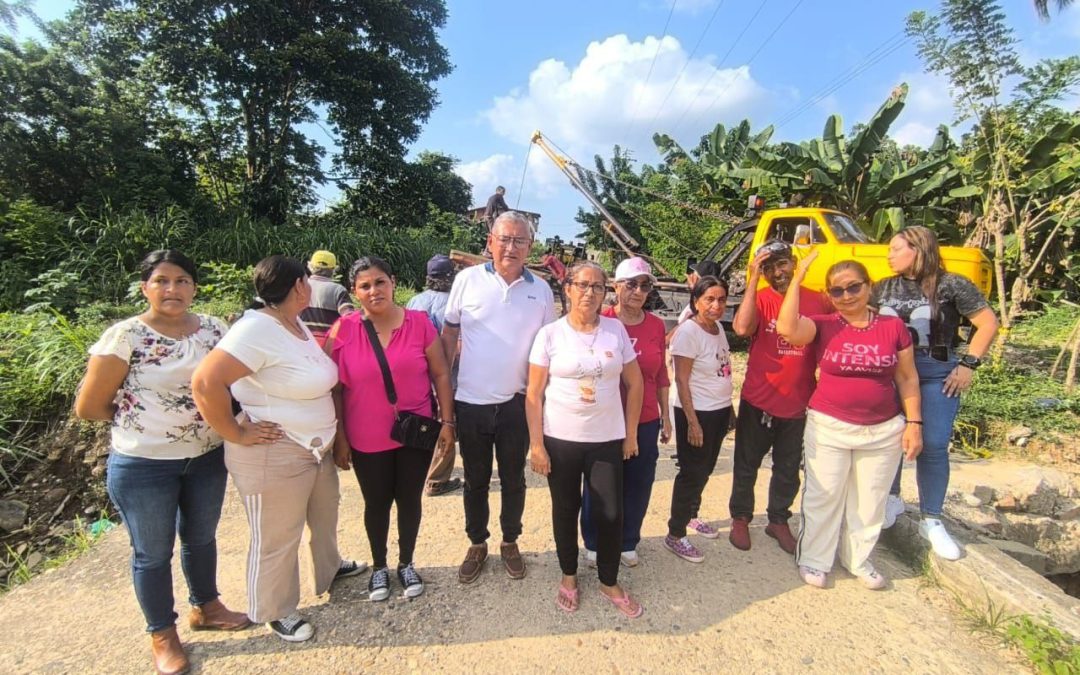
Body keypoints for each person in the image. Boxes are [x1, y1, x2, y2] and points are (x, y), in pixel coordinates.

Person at [75, 250, 249, 675]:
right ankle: (163, 634)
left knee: (201, 538)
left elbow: (232, 384)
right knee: (152, 553)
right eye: (162, 281)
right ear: (145, 288)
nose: (173, 289)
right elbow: (90, 406)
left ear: (194, 287)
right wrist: (148, 425)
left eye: (182, 281)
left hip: (206, 456)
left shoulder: (213, 329)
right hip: (144, 464)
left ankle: (207, 606)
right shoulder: (125, 336)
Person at [192, 255, 365, 643]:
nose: (309, 285)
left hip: (313, 448)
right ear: (297, 285)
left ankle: (330, 567)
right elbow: (206, 382)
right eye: (305, 279)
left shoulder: (293, 322)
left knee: (324, 514)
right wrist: (234, 433)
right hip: (276, 450)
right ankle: (275, 609)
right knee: (276, 535)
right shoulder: (255, 329)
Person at [777, 252, 922, 590]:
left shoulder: (893, 327)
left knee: (870, 498)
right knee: (823, 495)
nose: (845, 296)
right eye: (836, 291)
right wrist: (797, 279)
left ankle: (858, 559)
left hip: (883, 429)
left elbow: (907, 378)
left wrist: (914, 423)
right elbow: (787, 328)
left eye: (853, 288)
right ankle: (814, 558)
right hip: (830, 424)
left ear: (868, 287)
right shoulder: (824, 325)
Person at [328, 256, 457, 601]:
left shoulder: (418, 324)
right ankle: (380, 567)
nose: (374, 291)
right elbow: (333, 389)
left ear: (393, 282)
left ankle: (406, 562)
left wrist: (447, 421)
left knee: (410, 499)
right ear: (355, 292)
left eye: (380, 282)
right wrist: (340, 438)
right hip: (366, 436)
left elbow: (441, 373)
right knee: (376, 502)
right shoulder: (344, 330)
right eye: (365, 286)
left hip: (414, 432)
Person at [443, 210, 557, 584]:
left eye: (519, 241)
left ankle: (510, 541)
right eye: (504, 239)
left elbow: (548, 350)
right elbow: (449, 335)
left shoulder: (540, 290)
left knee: (514, 478)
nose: (511, 247)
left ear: (530, 247)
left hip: (517, 403)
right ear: (490, 242)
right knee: (475, 479)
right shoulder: (466, 280)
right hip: (472, 402)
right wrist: (444, 388)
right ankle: (477, 543)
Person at [526, 261, 645, 617]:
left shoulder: (615, 331)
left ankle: (609, 580)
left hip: (607, 438)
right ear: (568, 288)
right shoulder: (550, 334)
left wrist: (631, 433)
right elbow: (534, 394)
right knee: (565, 509)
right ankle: (568, 576)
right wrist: (536, 444)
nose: (590, 293)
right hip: (560, 439)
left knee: (610, 513)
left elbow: (635, 383)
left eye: (597, 287)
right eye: (582, 285)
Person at [873, 226, 998, 560]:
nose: (889, 255)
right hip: (890, 373)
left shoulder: (951, 284)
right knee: (891, 438)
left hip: (935, 373)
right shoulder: (883, 287)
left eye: (896, 249)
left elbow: (987, 323)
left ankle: (931, 518)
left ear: (918, 249)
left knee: (934, 443)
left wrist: (969, 364)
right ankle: (891, 497)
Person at [728, 241, 830, 554]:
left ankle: (778, 519)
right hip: (758, 398)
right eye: (769, 267)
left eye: (782, 264)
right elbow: (742, 328)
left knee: (787, 469)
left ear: (794, 262)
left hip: (798, 403)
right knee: (746, 464)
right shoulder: (760, 298)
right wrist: (753, 280)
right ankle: (741, 517)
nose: (777, 272)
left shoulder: (819, 301)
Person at [581, 257, 671, 568]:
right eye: (630, 284)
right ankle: (593, 541)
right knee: (599, 484)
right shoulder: (601, 320)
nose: (637, 291)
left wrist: (666, 417)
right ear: (616, 287)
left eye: (644, 285)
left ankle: (628, 540)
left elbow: (660, 375)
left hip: (645, 418)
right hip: (605, 419)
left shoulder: (657, 326)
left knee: (638, 482)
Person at [663, 276, 734, 564]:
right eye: (709, 299)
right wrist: (692, 422)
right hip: (696, 412)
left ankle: (691, 515)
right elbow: (681, 380)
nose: (716, 306)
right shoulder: (688, 333)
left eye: (721, 299)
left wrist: (729, 411)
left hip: (718, 409)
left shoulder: (716, 328)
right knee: (691, 472)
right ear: (696, 302)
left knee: (705, 470)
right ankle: (675, 533)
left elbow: (723, 368)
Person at [407, 253, 464, 496]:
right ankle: (437, 479)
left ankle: (416, 471)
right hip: (449, 374)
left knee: (422, 420)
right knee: (445, 420)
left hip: (417, 373)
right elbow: (460, 345)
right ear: (451, 277)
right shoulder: (456, 303)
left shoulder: (414, 302)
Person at [299, 250, 354, 346]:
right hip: (329, 345)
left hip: (302, 343)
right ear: (333, 269)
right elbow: (349, 318)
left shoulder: (300, 287)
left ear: (310, 267)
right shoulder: (338, 290)